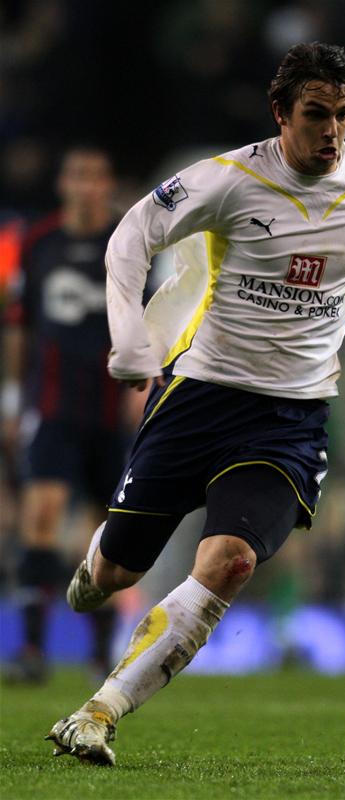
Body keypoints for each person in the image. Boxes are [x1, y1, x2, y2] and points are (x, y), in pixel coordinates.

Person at [45, 42, 345, 765]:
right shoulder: (228, 180)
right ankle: (95, 568)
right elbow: (129, 237)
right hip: (198, 397)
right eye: (316, 114)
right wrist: (132, 339)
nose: (332, 131)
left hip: (290, 417)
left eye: (343, 114)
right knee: (116, 574)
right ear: (280, 114)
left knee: (231, 561)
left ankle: (97, 712)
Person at [2, 146, 134, 683]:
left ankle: (100, 654)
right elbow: (19, 324)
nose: (85, 186)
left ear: (107, 185)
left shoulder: (127, 242)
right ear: (63, 184)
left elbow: (150, 315)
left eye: (95, 177)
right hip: (52, 405)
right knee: (41, 513)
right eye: (76, 175)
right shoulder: (36, 242)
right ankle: (33, 650)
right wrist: (13, 396)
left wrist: (142, 383)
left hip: (109, 404)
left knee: (104, 533)